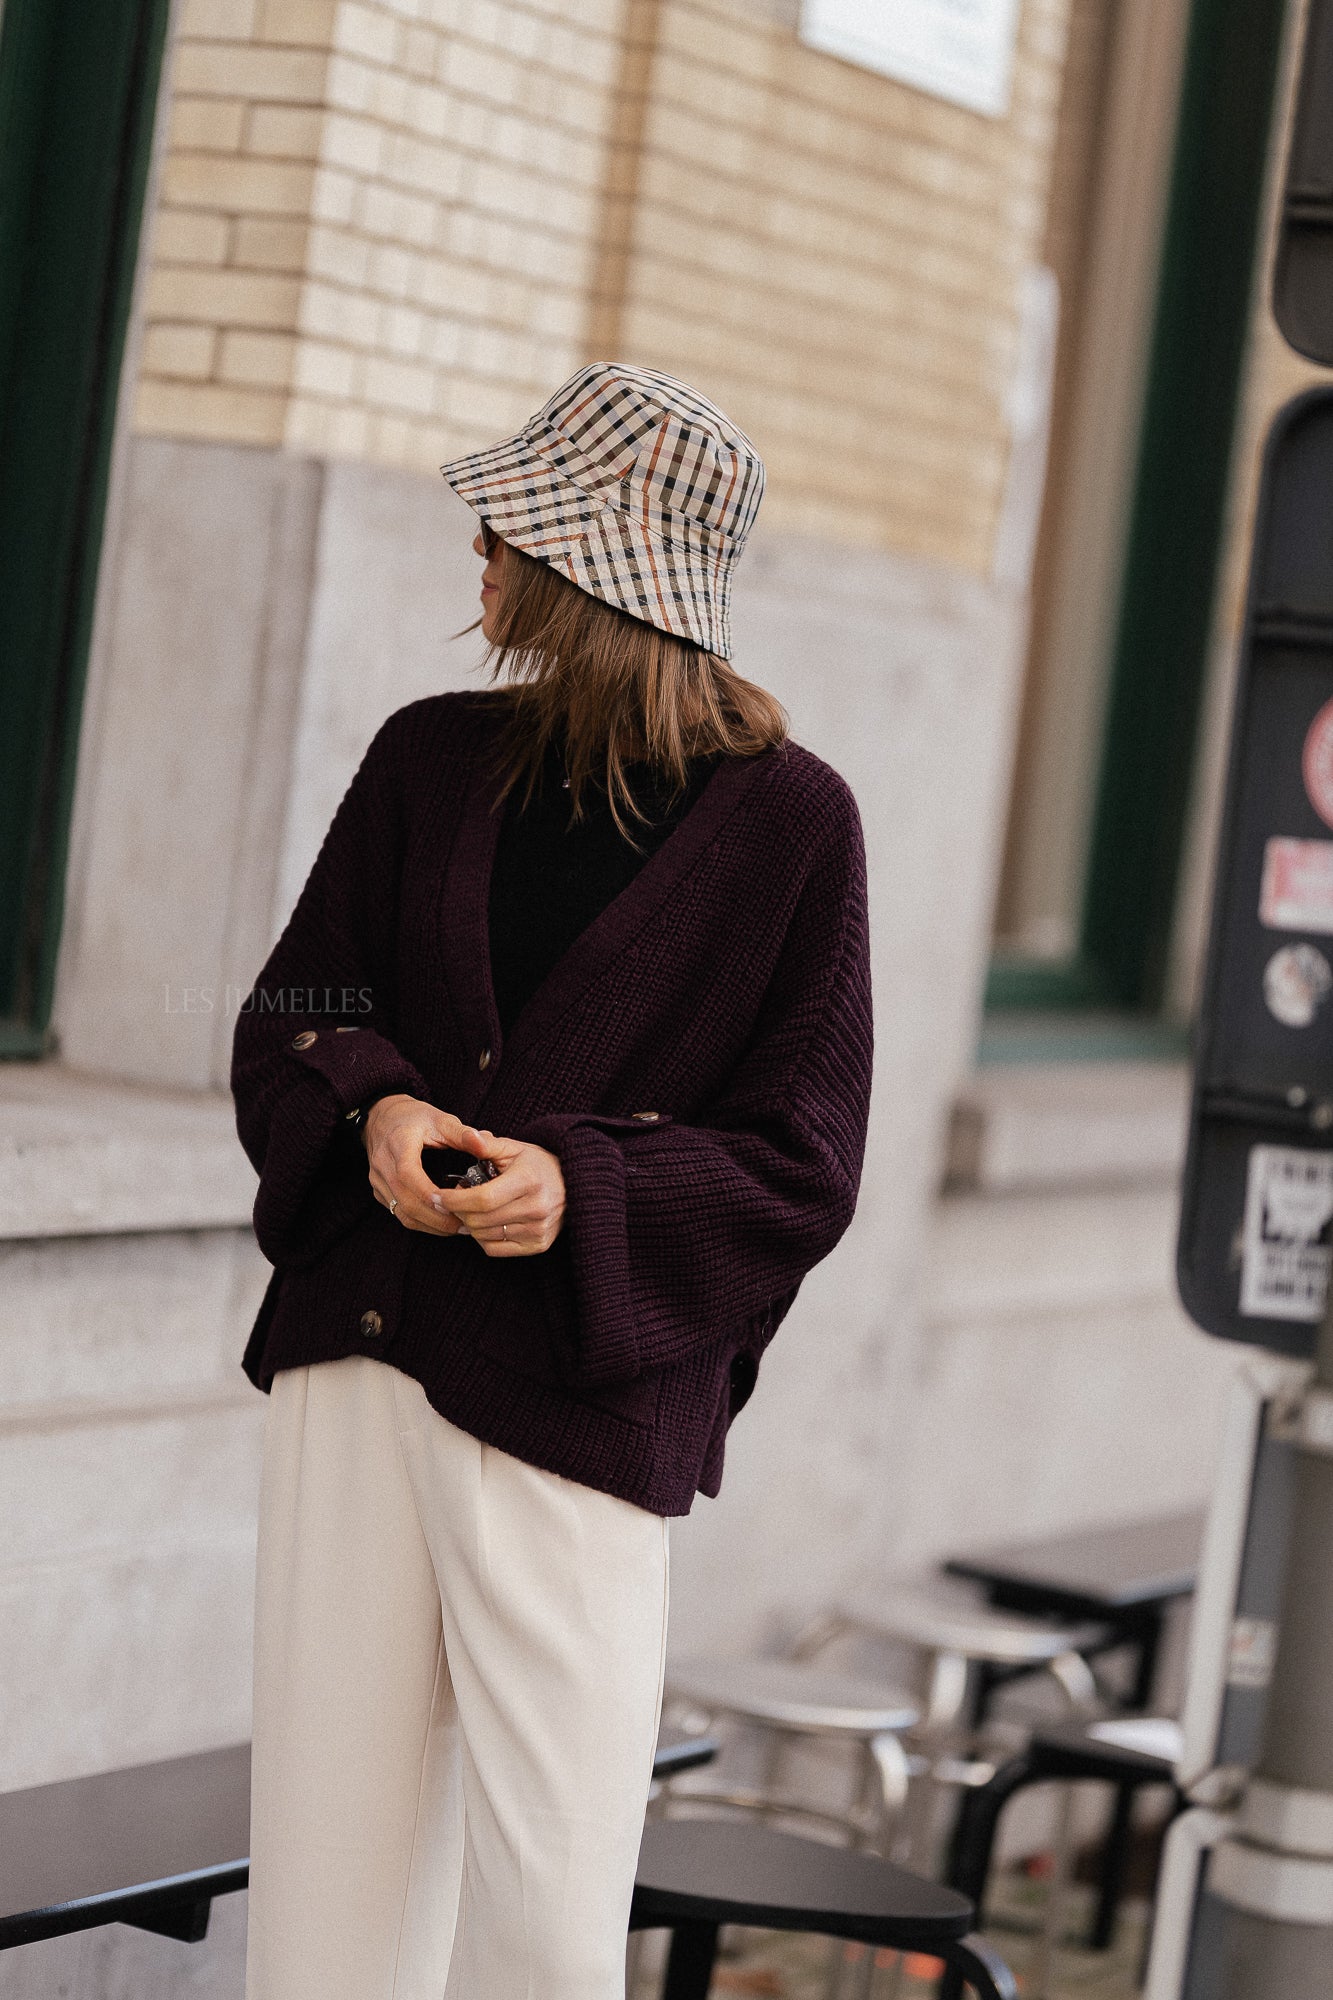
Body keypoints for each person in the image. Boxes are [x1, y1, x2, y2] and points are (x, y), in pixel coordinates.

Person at [230, 361, 874, 2000]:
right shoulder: (426, 759)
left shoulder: (792, 827)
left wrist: (581, 1193)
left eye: (508, 522)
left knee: (545, 1912)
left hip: (572, 1407)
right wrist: (372, 1106)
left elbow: (800, 1162)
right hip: (361, 1362)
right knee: (330, 1890)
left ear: (591, 563)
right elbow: (300, 1002)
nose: (478, 548)